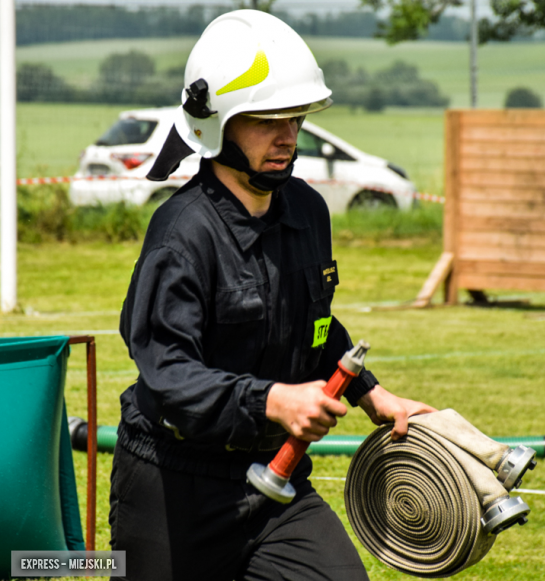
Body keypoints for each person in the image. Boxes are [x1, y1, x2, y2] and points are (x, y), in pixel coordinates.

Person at [110, 10, 434, 581]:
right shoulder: (180, 234)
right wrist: (273, 402)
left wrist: (374, 396)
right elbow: (167, 372)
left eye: (296, 118)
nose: (287, 136)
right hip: (172, 485)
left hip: (277, 478)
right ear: (215, 126)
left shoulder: (307, 211)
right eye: (265, 120)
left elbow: (313, 328)